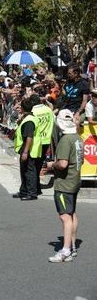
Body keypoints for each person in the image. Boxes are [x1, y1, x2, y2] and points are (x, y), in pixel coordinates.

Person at [48, 109, 84, 263]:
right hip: (75, 179)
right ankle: (73, 246)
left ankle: (65, 251)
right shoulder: (78, 138)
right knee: (72, 213)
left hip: (64, 183)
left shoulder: (65, 140)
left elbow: (62, 164)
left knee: (64, 216)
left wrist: (51, 165)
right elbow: (81, 160)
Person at [13, 99, 42, 200]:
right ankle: (23, 191)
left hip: (29, 150)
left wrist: (25, 152)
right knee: (24, 171)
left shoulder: (29, 120)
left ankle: (31, 193)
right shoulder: (27, 118)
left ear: (22, 108)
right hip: (26, 149)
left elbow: (29, 137)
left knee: (30, 172)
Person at [31, 94, 54, 196]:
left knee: (33, 166)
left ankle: (35, 187)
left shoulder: (33, 112)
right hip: (46, 141)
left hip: (36, 142)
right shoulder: (48, 110)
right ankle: (37, 187)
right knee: (39, 165)